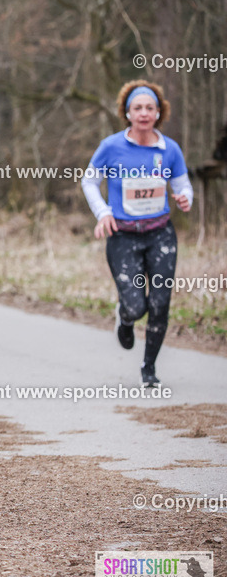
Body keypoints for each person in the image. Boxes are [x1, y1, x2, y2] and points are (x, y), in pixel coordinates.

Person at [81, 80, 193, 387]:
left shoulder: (169, 149)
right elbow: (89, 181)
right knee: (136, 306)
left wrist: (185, 198)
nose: (144, 113)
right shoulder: (111, 146)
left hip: (160, 235)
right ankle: (126, 317)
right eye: (137, 108)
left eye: (150, 108)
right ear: (127, 113)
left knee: (159, 304)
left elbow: (183, 186)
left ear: (159, 112)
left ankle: (149, 369)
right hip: (123, 236)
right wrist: (103, 212)